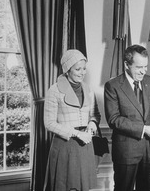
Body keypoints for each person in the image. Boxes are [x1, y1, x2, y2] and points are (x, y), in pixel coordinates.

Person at [104, 44, 150, 191]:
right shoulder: (113, 85)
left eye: (145, 67)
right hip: (126, 151)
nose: (143, 71)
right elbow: (114, 119)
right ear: (126, 64)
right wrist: (143, 129)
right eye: (138, 67)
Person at [44, 49, 100, 191]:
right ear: (68, 70)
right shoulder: (54, 90)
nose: (82, 72)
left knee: (84, 187)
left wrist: (92, 124)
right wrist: (77, 133)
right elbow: (49, 123)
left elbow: (95, 114)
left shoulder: (88, 89)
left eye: (84, 68)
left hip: (85, 146)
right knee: (67, 186)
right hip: (65, 146)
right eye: (78, 69)